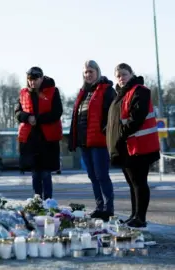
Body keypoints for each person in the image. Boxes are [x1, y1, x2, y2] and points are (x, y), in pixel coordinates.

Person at [106, 63, 160, 228]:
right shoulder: (120, 95)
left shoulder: (140, 91)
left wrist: (120, 133)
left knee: (139, 182)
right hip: (126, 146)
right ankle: (134, 215)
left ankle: (141, 218)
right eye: (118, 75)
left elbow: (137, 117)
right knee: (132, 183)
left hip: (139, 146)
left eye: (124, 74)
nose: (121, 78)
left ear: (131, 74)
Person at [68, 60, 116, 221]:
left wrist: (106, 130)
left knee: (102, 175)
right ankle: (99, 206)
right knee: (93, 176)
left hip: (99, 142)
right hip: (84, 142)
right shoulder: (82, 93)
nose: (88, 75)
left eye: (91, 71)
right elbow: (76, 117)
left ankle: (108, 209)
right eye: (86, 72)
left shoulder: (107, 90)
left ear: (97, 72)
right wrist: (73, 139)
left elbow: (113, 114)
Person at [15, 67, 63, 200]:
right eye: (30, 80)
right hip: (30, 140)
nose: (32, 83)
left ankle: (48, 201)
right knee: (35, 173)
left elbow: (57, 112)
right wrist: (27, 117)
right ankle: (37, 200)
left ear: (41, 78)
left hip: (47, 139)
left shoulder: (53, 91)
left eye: (35, 79)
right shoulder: (23, 93)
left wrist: (38, 119)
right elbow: (17, 112)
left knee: (46, 173)